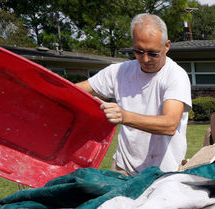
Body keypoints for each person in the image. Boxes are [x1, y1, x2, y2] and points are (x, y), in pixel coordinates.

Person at [77, 13, 191, 175]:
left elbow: (170, 124)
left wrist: (123, 116)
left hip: (164, 172)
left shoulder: (175, 76)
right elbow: (74, 91)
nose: (145, 59)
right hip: (123, 167)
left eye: (153, 53)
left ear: (167, 46)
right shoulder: (119, 72)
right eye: (138, 51)